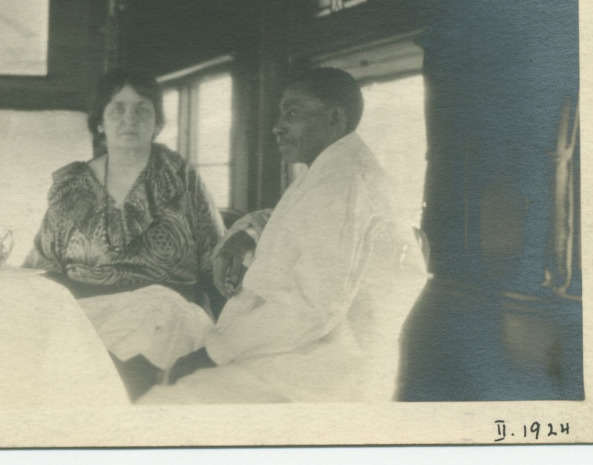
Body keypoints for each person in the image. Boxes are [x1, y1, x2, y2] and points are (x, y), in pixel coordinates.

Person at [138, 67, 427, 404]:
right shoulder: (336, 169)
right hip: (295, 351)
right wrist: (247, 232)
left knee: (160, 403)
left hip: (313, 373)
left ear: (335, 119)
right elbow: (297, 221)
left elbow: (312, 307)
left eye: (293, 113)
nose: (277, 126)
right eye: (281, 112)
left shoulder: (342, 182)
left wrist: (211, 354)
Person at [23, 67, 224, 398]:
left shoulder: (182, 179)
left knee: (161, 319)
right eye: (117, 108)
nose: (129, 119)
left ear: (157, 122)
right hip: (92, 318)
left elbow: (217, 262)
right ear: (100, 122)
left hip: (169, 322)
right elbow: (43, 267)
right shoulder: (73, 186)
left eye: (142, 109)